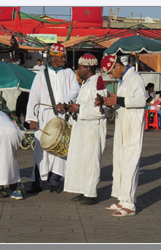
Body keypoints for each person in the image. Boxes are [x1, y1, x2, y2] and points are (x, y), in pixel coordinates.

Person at [95, 54, 146, 217]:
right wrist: (108, 100)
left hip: (133, 125)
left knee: (130, 161)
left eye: (110, 72)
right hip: (122, 123)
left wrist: (119, 100)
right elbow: (122, 100)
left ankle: (129, 204)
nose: (110, 76)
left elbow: (141, 100)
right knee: (119, 161)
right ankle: (122, 199)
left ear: (117, 66)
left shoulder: (135, 77)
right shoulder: (123, 79)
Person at [25, 43, 80, 194]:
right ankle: (37, 182)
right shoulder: (41, 74)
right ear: (53, 57)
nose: (64, 59)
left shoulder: (69, 73)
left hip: (63, 116)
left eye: (64, 56)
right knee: (40, 150)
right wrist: (31, 118)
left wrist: (65, 102)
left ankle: (55, 180)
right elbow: (34, 95)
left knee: (61, 147)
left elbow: (75, 90)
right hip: (44, 117)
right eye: (61, 57)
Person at [64, 53, 107, 205]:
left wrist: (79, 108)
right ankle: (83, 190)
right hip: (82, 128)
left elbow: (101, 111)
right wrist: (72, 108)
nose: (77, 69)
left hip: (92, 130)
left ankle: (91, 193)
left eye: (80, 67)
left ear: (88, 68)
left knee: (90, 161)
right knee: (81, 160)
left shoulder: (98, 84)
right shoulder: (85, 83)